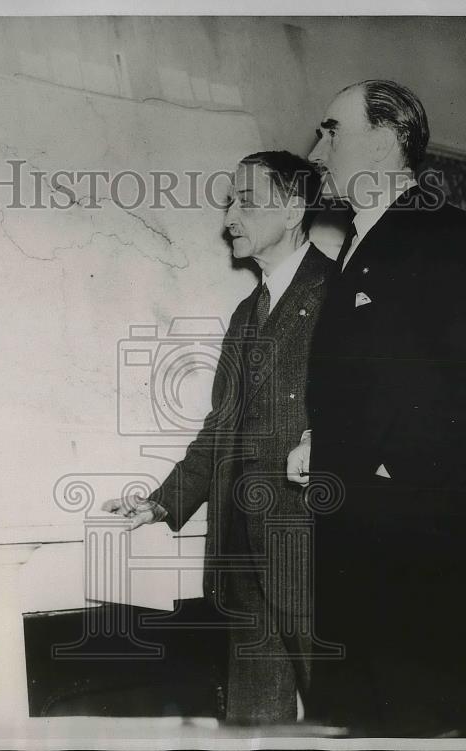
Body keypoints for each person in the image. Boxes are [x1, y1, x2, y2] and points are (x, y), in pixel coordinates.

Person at [288, 80, 466, 736]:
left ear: (384, 138)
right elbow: (389, 384)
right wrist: (326, 441)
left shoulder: (437, 235)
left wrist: (400, 467)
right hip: (361, 552)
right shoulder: (356, 249)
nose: (317, 149)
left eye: (332, 129)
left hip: (422, 561)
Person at [104, 151, 332, 724]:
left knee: (342, 708)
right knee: (255, 721)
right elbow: (220, 428)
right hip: (241, 548)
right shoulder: (244, 312)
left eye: (246, 201)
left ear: (293, 209)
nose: (230, 214)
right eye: (230, 200)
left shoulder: (340, 293)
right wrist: (160, 502)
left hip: (312, 547)